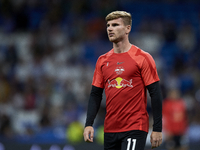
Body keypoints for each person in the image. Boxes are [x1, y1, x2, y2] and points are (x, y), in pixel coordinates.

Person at [83, 11, 163, 150]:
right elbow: (96, 94)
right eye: (108, 25)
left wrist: (157, 128)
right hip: (110, 129)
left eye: (115, 25)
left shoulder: (142, 58)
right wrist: (89, 124)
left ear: (128, 28)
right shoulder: (102, 60)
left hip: (135, 126)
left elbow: (155, 93)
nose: (110, 28)